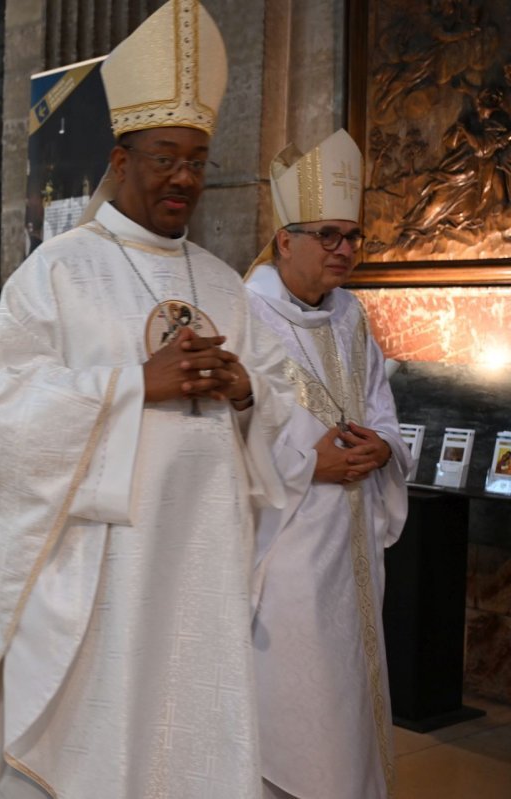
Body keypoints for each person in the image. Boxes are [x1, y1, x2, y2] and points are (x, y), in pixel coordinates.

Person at [0, 2, 293, 796]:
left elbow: (281, 415)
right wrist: (133, 384)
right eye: (166, 157)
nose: (185, 175)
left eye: (197, 157)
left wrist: (249, 391)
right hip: (100, 572)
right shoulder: (60, 270)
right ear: (121, 160)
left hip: (201, 563)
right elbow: (4, 392)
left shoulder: (226, 285)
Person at [244, 129, 410, 799]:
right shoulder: (242, 314)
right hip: (283, 546)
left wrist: (386, 448)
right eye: (331, 236)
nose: (345, 250)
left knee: (348, 703)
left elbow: (382, 405)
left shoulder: (352, 315)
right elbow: (222, 430)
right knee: (291, 706)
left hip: (351, 549)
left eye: (353, 237)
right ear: (286, 240)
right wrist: (301, 462)